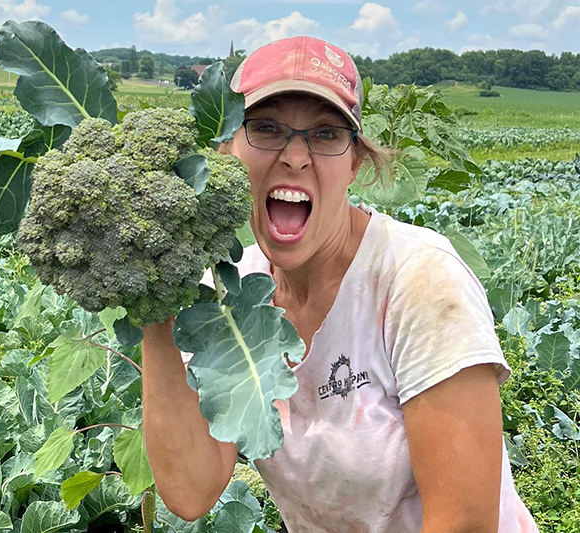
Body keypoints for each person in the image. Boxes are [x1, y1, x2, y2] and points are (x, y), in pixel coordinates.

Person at [141, 36, 539, 533]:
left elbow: (465, 523)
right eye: (265, 128)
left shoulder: (418, 280)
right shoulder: (225, 299)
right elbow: (190, 489)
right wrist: (154, 304)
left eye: (325, 134)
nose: (295, 157)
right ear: (226, 151)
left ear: (354, 162)